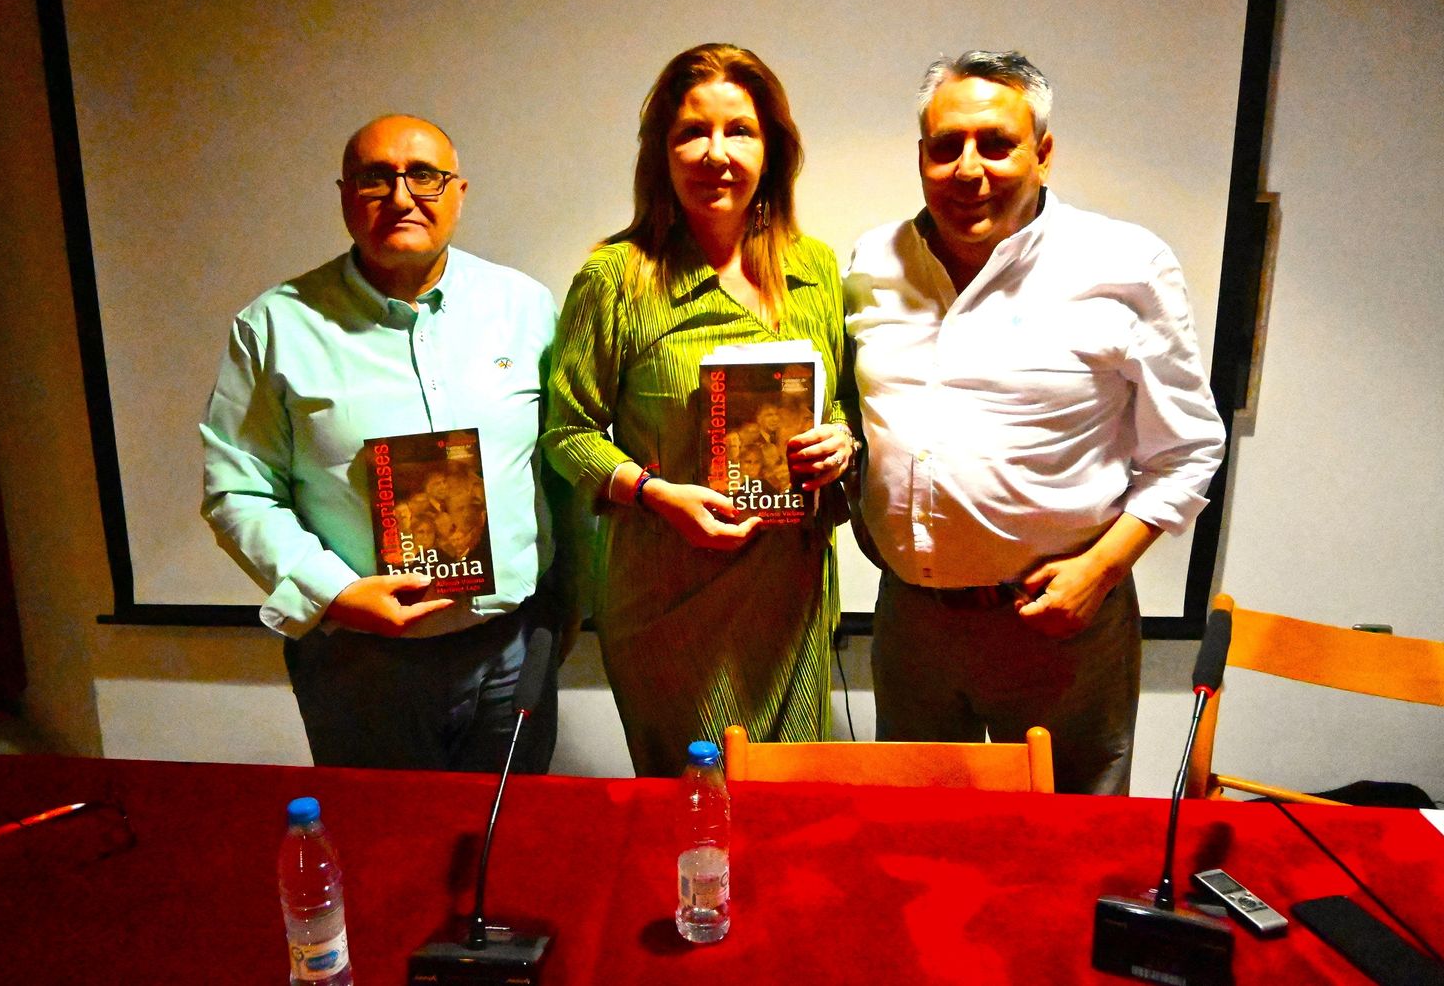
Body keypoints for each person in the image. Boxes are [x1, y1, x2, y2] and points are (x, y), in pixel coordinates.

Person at [845, 51, 1226, 795]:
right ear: (920, 155)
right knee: (918, 846)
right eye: (945, 146)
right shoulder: (872, 261)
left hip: (1060, 627)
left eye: (996, 143)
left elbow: (1188, 450)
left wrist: (1101, 571)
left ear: (1042, 153)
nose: (967, 168)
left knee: (1069, 847)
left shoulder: (1126, 264)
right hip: (911, 624)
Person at [201, 114, 566, 772]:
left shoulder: (527, 307)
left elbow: (564, 458)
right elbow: (238, 489)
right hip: (360, 665)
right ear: (345, 195)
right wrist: (333, 592)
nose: (402, 197)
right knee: (386, 854)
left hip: (511, 652)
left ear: (459, 192)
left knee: (509, 846)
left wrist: (569, 605)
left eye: (424, 176)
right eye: (376, 179)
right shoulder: (275, 326)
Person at [542, 43, 856, 777]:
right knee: (695, 814)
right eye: (692, 132)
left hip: (791, 596)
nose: (716, 154)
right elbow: (568, 433)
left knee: (787, 818)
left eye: (739, 130)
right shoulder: (616, 277)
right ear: (662, 152)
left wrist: (839, 441)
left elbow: (833, 396)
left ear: (773, 148)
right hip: (669, 602)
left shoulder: (813, 267)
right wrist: (653, 492)